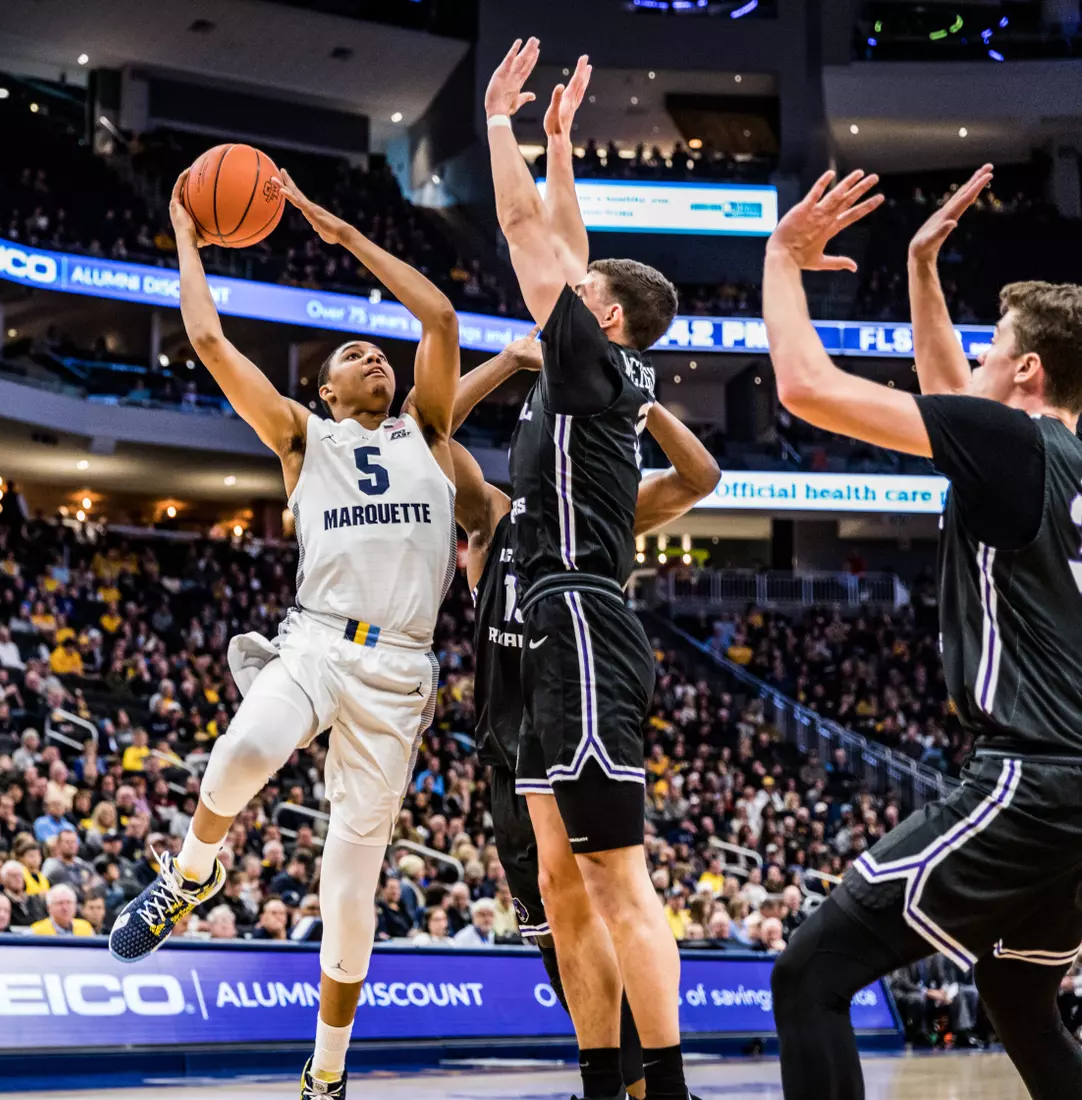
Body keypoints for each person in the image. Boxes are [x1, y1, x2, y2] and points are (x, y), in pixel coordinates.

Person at [112, 161, 462, 1100]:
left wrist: (341, 233)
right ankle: (190, 876)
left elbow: (438, 319)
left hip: (400, 675)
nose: (374, 356)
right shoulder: (302, 436)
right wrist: (188, 232)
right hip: (314, 640)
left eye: (376, 352)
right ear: (326, 386)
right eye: (353, 354)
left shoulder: (429, 429)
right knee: (242, 750)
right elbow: (207, 336)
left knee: (348, 898)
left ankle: (327, 1074)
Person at [761, 164, 1082, 1100]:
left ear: (1027, 370)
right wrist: (919, 266)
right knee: (1018, 994)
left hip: (1032, 777)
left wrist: (780, 259)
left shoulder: (1015, 444)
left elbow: (806, 387)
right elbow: (959, 395)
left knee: (807, 977)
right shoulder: (1056, 459)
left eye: (993, 347)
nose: (973, 357)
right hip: (1072, 792)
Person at [485, 44, 690, 1100]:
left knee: (615, 873)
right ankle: (602, 1081)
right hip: (549, 627)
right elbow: (571, 239)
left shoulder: (591, 365)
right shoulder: (600, 359)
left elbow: (530, 232)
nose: (561, 289)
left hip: (580, 616)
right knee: (565, 881)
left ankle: (669, 1084)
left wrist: (495, 123)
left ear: (597, 318)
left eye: (580, 292)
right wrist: (560, 142)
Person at [448, 316, 719, 1098]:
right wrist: (505, 359)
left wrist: (638, 403)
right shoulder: (493, 515)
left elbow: (700, 478)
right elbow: (425, 427)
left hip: (571, 698)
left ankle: (643, 1087)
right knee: (557, 932)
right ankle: (609, 1077)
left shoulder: (594, 514)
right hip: (506, 747)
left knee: (607, 896)